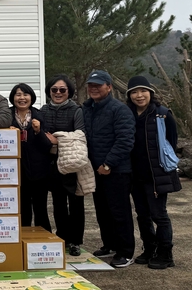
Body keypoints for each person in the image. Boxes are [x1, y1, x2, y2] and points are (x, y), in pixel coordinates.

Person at [126, 75, 181, 269]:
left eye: (143, 91)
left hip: (156, 175)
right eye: (134, 92)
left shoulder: (162, 114)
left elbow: (172, 142)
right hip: (136, 175)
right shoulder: (128, 115)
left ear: (150, 93)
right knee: (142, 215)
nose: (139, 95)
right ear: (129, 95)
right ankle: (150, 249)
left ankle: (166, 254)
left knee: (159, 215)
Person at [83, 70, 136, 268]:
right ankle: (110, 245)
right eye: (91, 85)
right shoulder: (87, 108)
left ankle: (126, 252)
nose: (94, 88)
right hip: (96, 170)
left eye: (98, 85)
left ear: (109, 87)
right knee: (102, 211)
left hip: (116, 170)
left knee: (119, 212)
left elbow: (125, 140)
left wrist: (108, 164)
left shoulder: (119, 110)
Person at [40, 74, 86, 256]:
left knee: (76, 203)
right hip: (51, 163)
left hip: (72, 162)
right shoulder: (43, 110)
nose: (58, 93)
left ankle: (75, 241)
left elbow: (80, 135)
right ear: (49, 91)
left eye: (62, 90)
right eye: (54, 89)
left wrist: (58, 139)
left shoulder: (76, 110)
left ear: (69, 92)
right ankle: (63, 237)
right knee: (58, 203)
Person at [9, 83, 52, 232]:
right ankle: (23, 239)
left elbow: (47, 146)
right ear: (13, 98)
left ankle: (43, 239)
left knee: (41, 208)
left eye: (25, 94)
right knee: (22, 208)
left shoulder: (40, 115)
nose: (22, 98)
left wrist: (38, 131)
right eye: (18, 95)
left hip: (39, 171)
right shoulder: (6, 116)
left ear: (31, 97)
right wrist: (7, 132)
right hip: (15, 171)